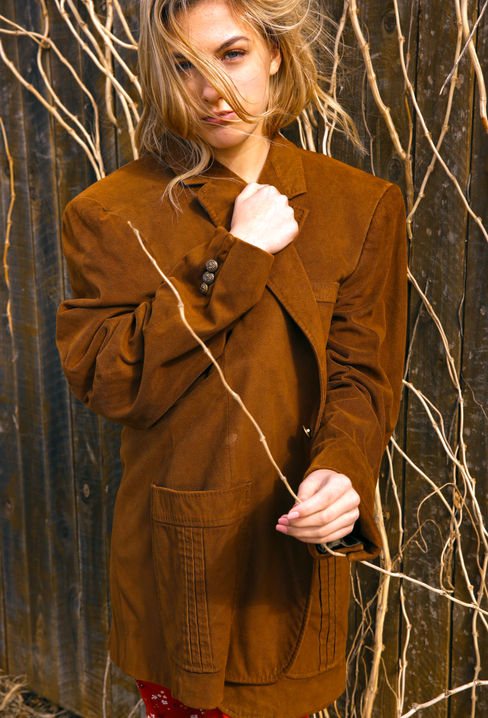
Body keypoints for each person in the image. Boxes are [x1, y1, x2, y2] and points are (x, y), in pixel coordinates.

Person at [55, 0, 407, 716]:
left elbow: (363, 376)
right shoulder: (110, 212)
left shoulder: (360, 204)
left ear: (274, 52)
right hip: (177, 561)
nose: (211, 89)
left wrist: (342, 471)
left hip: (294, 553)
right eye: (183, 66)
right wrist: (235, 257)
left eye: (232, 54)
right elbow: (109, 379)